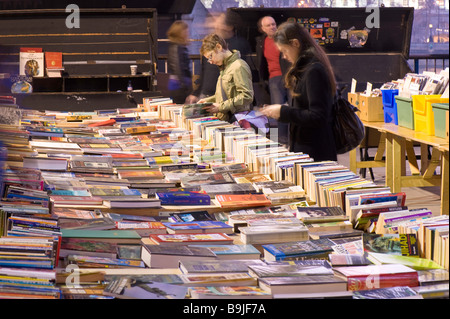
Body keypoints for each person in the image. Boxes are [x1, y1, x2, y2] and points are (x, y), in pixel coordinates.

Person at [260, 22, 337, 162]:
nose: (283, 56)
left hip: (316, 152)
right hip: (306, 148)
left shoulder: (314, 70)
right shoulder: (304, 68)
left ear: (295, 43)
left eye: (284, 51)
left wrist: (283, 111)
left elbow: (318, 116)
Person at [186, 12, 251, 104]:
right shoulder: (211, 48)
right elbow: (204, 72)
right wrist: (197, 94)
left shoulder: (237, 57)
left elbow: (245, 95)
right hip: (209, 95)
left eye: (220, 23)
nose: (216, 25)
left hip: (225, 101)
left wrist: (221, 106)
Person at [197, 33, 253, 123]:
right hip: (227, 118)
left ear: (219, 47)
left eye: (210, 56)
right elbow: (226, 95)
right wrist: (207, 101)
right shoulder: (225, 67)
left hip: (236, 119)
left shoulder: (238, 66)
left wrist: (220, 107)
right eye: (208, 59)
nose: (210, 62)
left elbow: (247, 96)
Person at [256, 16, 291, 145]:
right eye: (269, 25)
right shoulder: (261, 41)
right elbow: (261, 62)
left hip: (288, 76)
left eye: (273, 24)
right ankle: (281, 140)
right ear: (262, 29)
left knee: (294, 108)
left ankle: (294, 140)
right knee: (278, 111)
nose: (272, 27)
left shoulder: (283, 38)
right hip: (274, 78)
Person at [166, 20, 192, 104]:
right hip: (179, 86)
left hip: (180, 84)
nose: (187, 33)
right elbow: (177, 67)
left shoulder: (178, 46)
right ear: (180, 32)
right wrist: (184, 85)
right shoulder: (176, 47)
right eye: (185, 30)